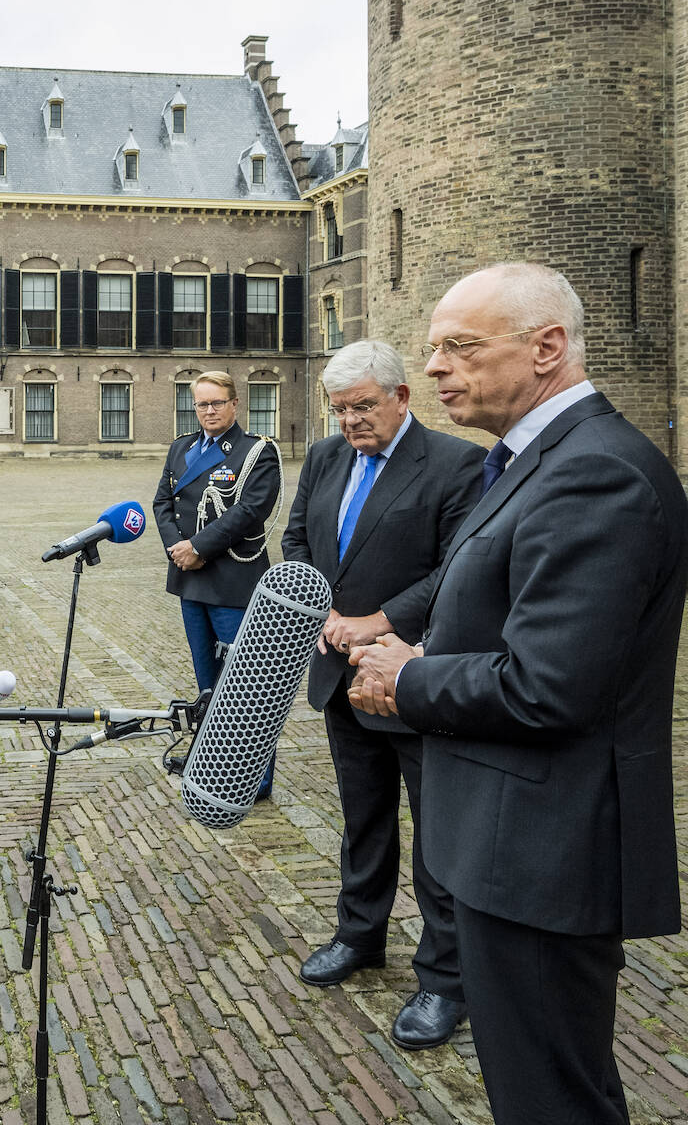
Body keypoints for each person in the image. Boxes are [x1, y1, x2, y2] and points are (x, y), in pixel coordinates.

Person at [348, 264, 688, 1125]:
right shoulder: (531, 463)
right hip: (511, 846)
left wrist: (410, 674)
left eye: (460, 347)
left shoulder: (595, 475)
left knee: (551, 1099)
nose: (434, 369)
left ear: (546, 348)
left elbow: (550, 686)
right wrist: (431, 646)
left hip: (544, 854)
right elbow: (511, 622)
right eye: (433, 349)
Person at [280, 340, 484, 1051]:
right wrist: (323, 615)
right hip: (341, 673)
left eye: (363, 407)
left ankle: (444, 978)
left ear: (403, 396)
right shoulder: (330, 458)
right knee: (363, 819)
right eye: (339, 411)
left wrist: (380, 621)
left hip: (412, 678)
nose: (351, 423)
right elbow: (298, 540)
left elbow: (458, 571)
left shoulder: (459, 466)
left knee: (437, 835)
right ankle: (360, 935)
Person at [151, 371, 282, 795]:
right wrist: (178, 549)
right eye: (202, 404)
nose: (209, 411)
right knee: (207, 679)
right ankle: (211, 758)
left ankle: (254, 776)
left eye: (217, 403)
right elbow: (161, 503)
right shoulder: (181, 448)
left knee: (245, 683)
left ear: (234, 404)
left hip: (232, 582)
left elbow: (250, 511)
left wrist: (199, 548)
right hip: (190, 579)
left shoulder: (256, 453)